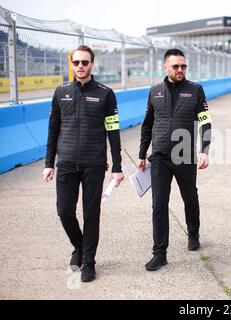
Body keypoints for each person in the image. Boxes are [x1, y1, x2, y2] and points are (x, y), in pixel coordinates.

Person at [42, 45, 124, 282]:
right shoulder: (61, 92)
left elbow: (113, 131)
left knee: (91, 214)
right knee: (64, 211)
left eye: (84, 62)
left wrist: (117, 166)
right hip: (66, 161)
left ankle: (88, 261)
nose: (80, 66)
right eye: (76, 62)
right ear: (72, 64)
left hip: (94, 163)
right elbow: (53, 129)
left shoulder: (105, 93)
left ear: (92, 64)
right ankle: (78, 247)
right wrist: (49, 163)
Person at [137, 48, 211, 271]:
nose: (180, 70)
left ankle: (193, 231)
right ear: (165, 67)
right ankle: (159, 253)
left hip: (185, 155)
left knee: (190, 197)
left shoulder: (196, 90)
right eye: (176, 66)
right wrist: (142, 153)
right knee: (159, 204)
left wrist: (204, 149)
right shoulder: (155, 91)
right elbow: (147, 124)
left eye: (183, 66)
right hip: (159, 156)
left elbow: (205, 122)